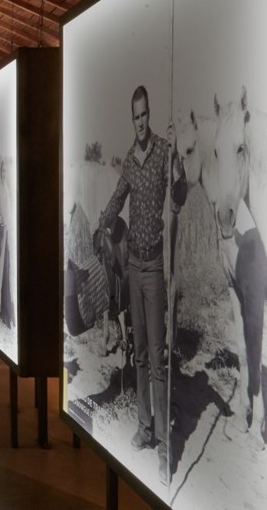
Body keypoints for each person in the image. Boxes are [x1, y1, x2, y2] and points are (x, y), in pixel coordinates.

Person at [97, 85, 187, 486]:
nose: (141, 122)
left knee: (158, 356)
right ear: (130, 120)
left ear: (150, 115)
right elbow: (118, 198)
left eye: (145, 114)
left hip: (154, 268)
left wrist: (179, 168)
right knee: (138, 356)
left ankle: (165, 452)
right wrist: (102, 221)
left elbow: (180, 196)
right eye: (135, 117)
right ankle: (144, 428)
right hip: (132, 266)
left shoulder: (166, 150)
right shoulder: (131, 163)